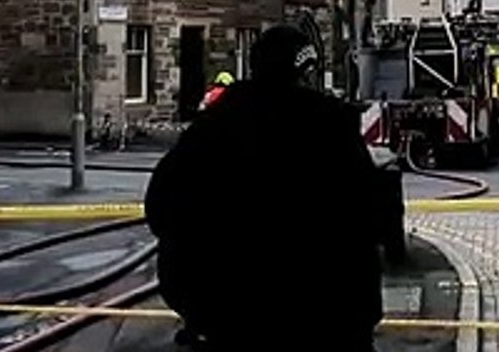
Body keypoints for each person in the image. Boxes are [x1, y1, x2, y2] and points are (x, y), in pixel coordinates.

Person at [143, 24, 398, 351]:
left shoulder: (212, 127)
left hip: (228, 314)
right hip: (326, 316)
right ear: (307, 73)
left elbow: (161, 208)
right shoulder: (331, 127)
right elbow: (372, 214)